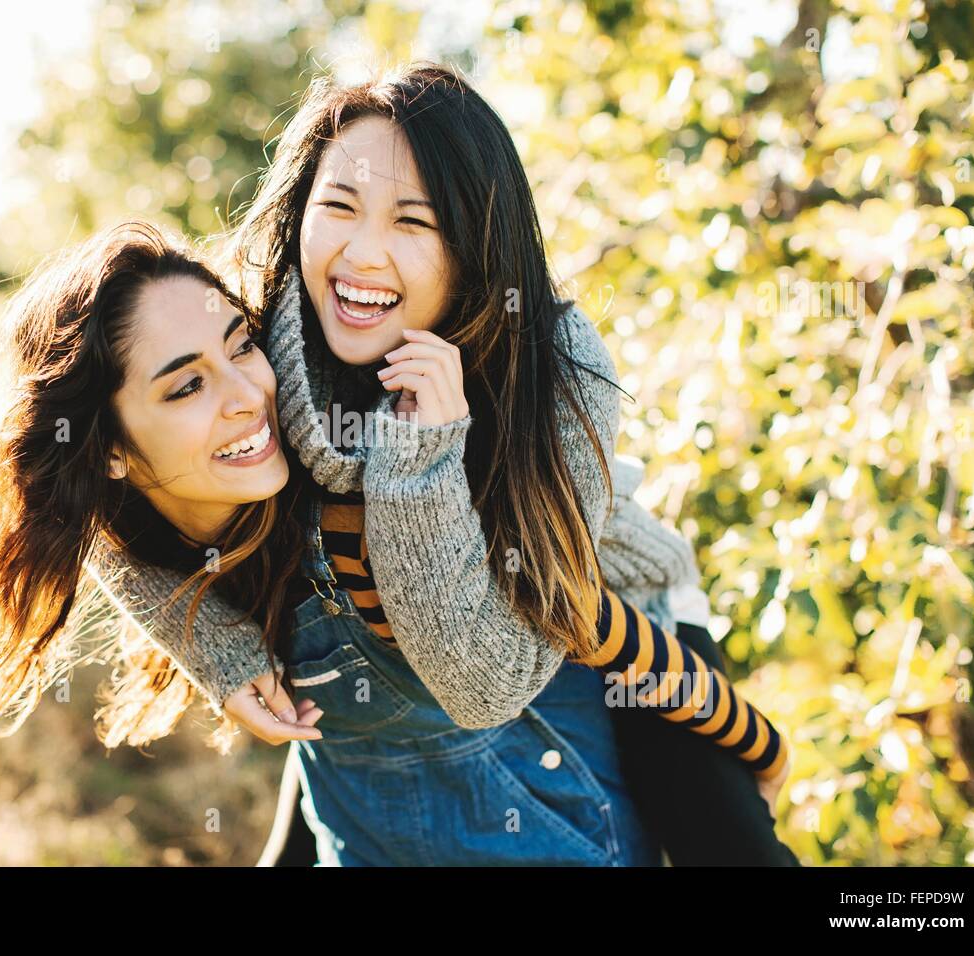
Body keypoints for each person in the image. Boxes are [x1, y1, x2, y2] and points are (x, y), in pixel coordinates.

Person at [94, 65, 797, 865]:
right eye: (339, 208)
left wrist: (418, 456)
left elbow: (487, 680)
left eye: (413, 223)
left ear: (473, 245)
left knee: (724, 839)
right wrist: (218, 648)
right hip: (368, 668)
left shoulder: (558, 367)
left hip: (600, 610)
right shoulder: (254, 343)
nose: (363, 256)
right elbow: (103, 489)